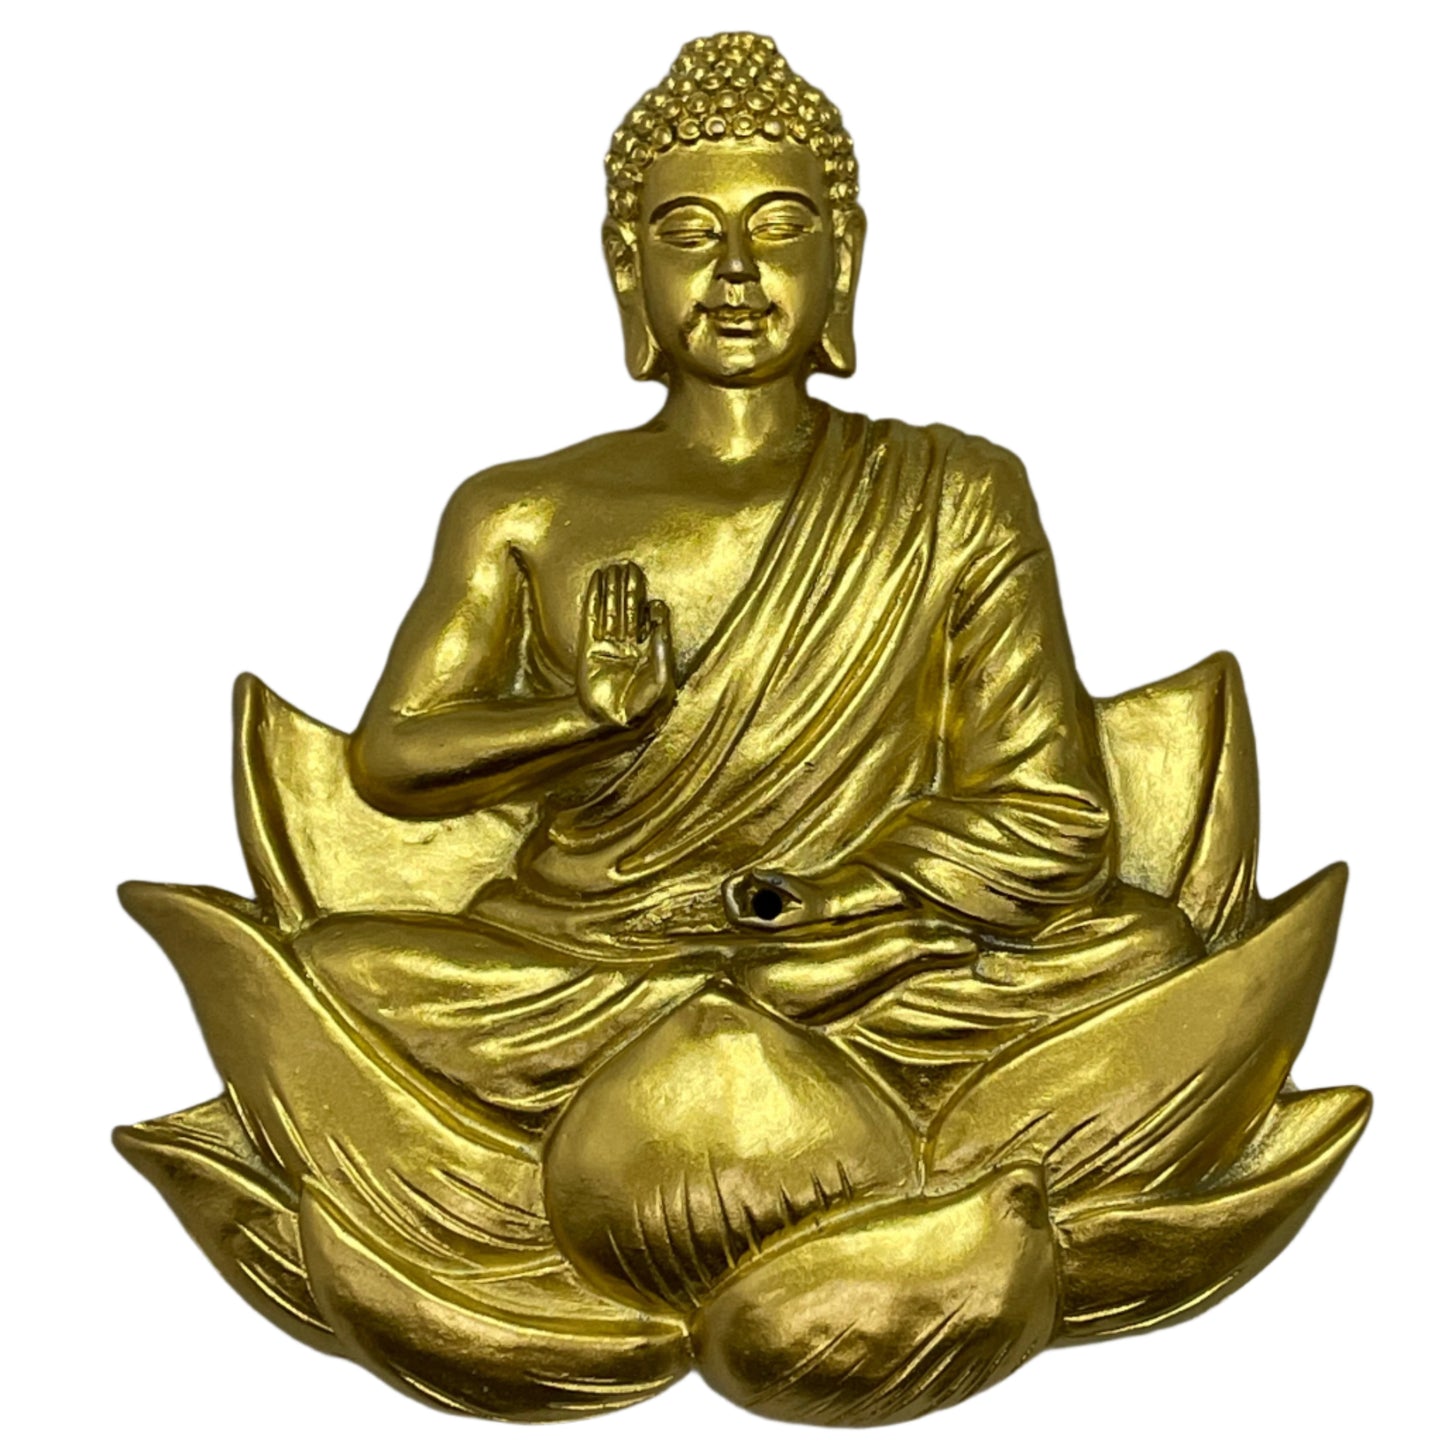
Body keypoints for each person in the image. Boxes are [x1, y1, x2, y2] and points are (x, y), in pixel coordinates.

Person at [293, 32, 1202, 1128]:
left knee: (1147, 947)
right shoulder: (518, 510)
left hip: (856, 946)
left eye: (778, 226)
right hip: (591, 955)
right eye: (688, 232)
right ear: (626, 263)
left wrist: (837, 896)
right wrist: (585, 722)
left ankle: (749, 1030)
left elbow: (1051, 813)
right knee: (338, 967)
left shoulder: (954, 489)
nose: (734, 269)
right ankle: (764, 1045)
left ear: (843, 256)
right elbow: (390, 758)